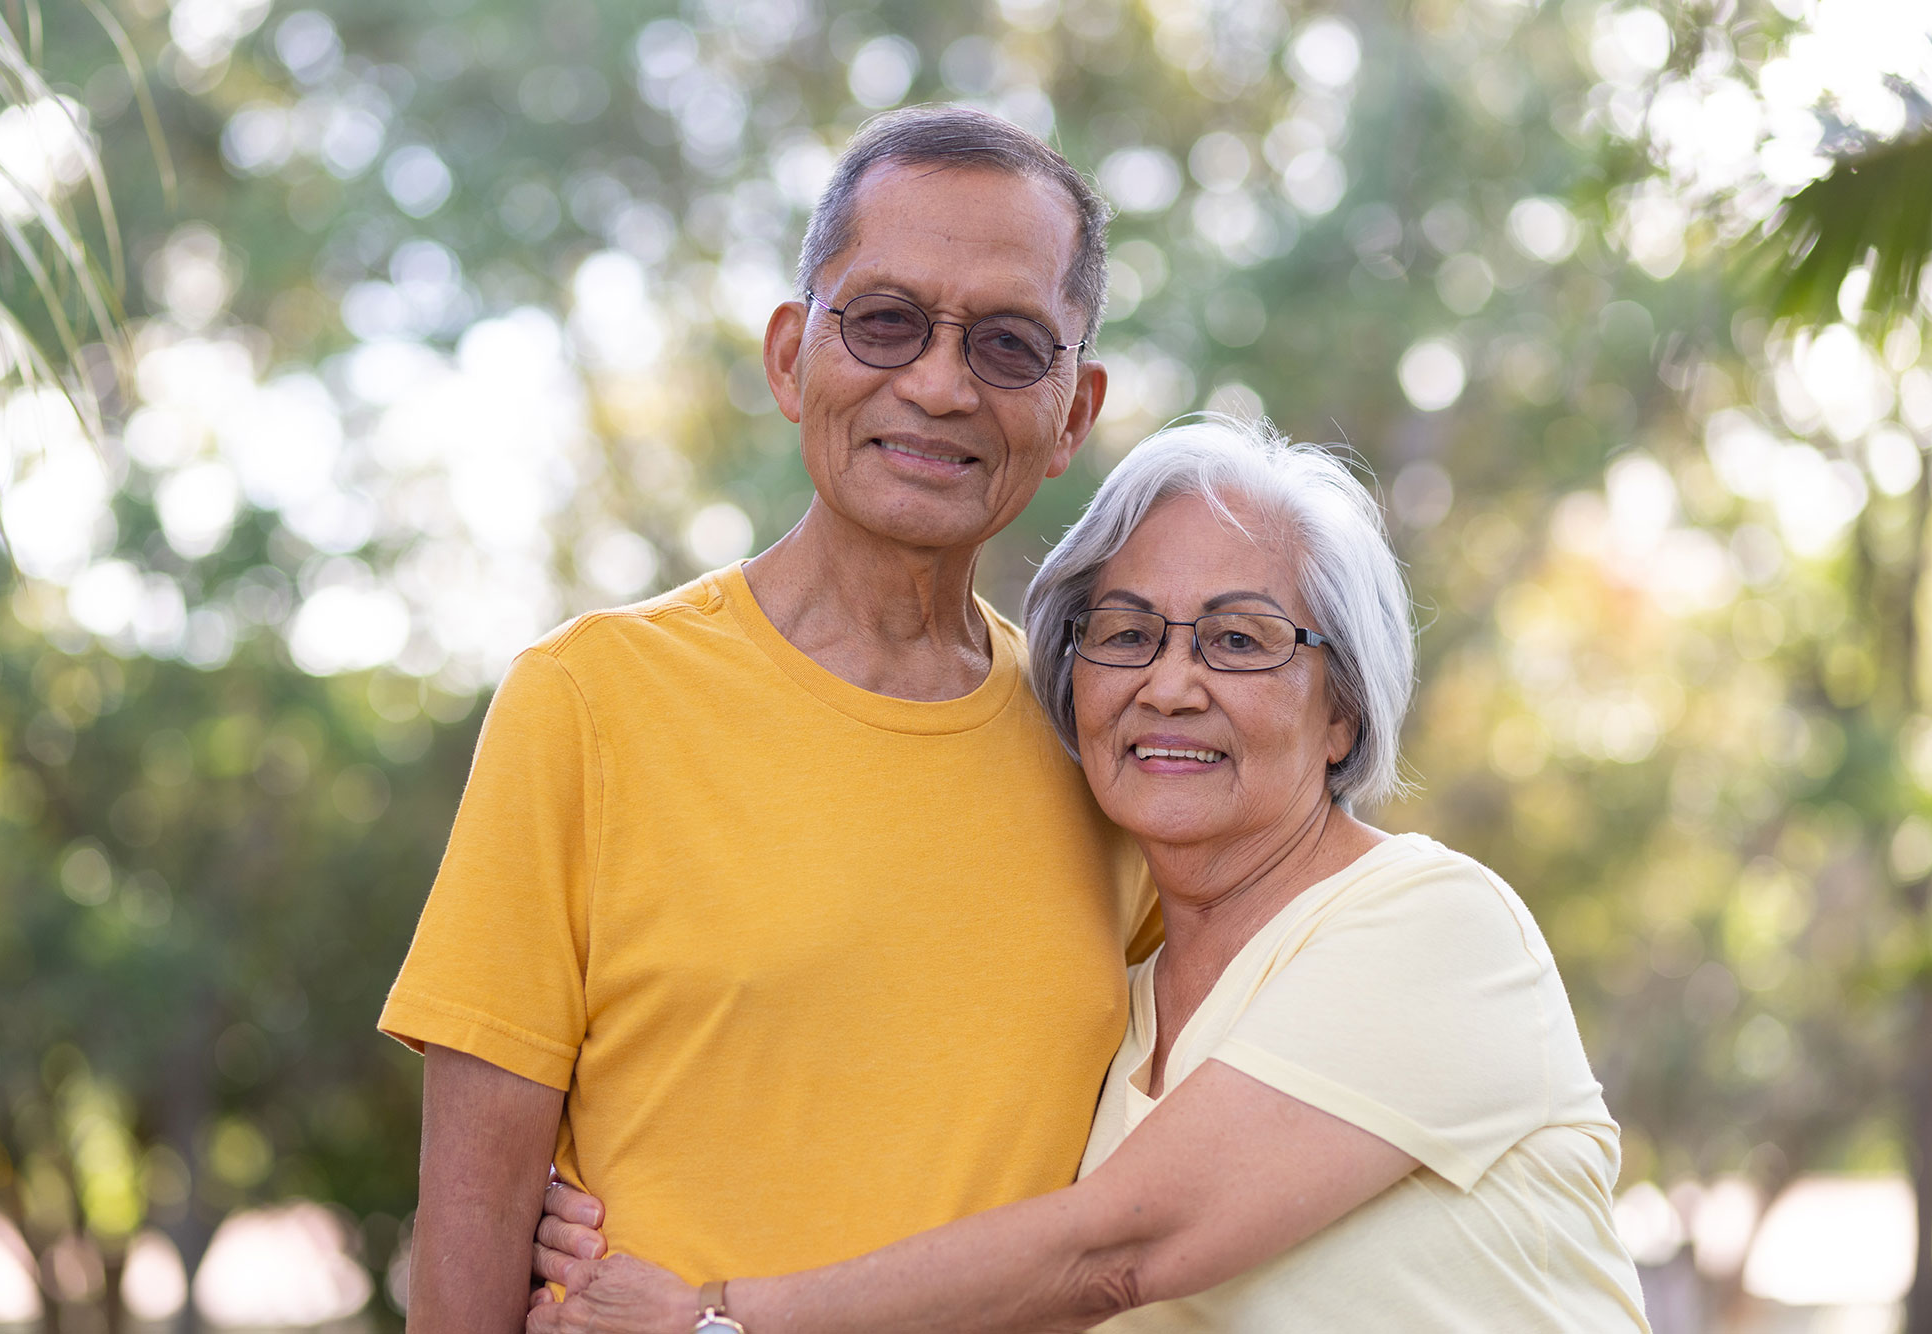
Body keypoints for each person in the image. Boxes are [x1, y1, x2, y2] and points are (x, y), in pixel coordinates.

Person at [527, 418, 1652, 1332]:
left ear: (1342, 708)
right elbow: (975, 1264)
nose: (1167, 684)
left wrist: (713, 1318)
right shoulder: (1109, 1025)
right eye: (1122, 633)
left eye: (1239, 639)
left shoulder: (1431, 926)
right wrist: (599, 1225)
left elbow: (1114, 1250)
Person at [377, 105, 1164, 1334]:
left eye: (1010, 345)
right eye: (887, 320)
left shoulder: (1111, 757)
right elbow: (471, 1230)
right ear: (793, 354)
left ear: (1072, 411)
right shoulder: (586, 701)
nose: (941, 383)